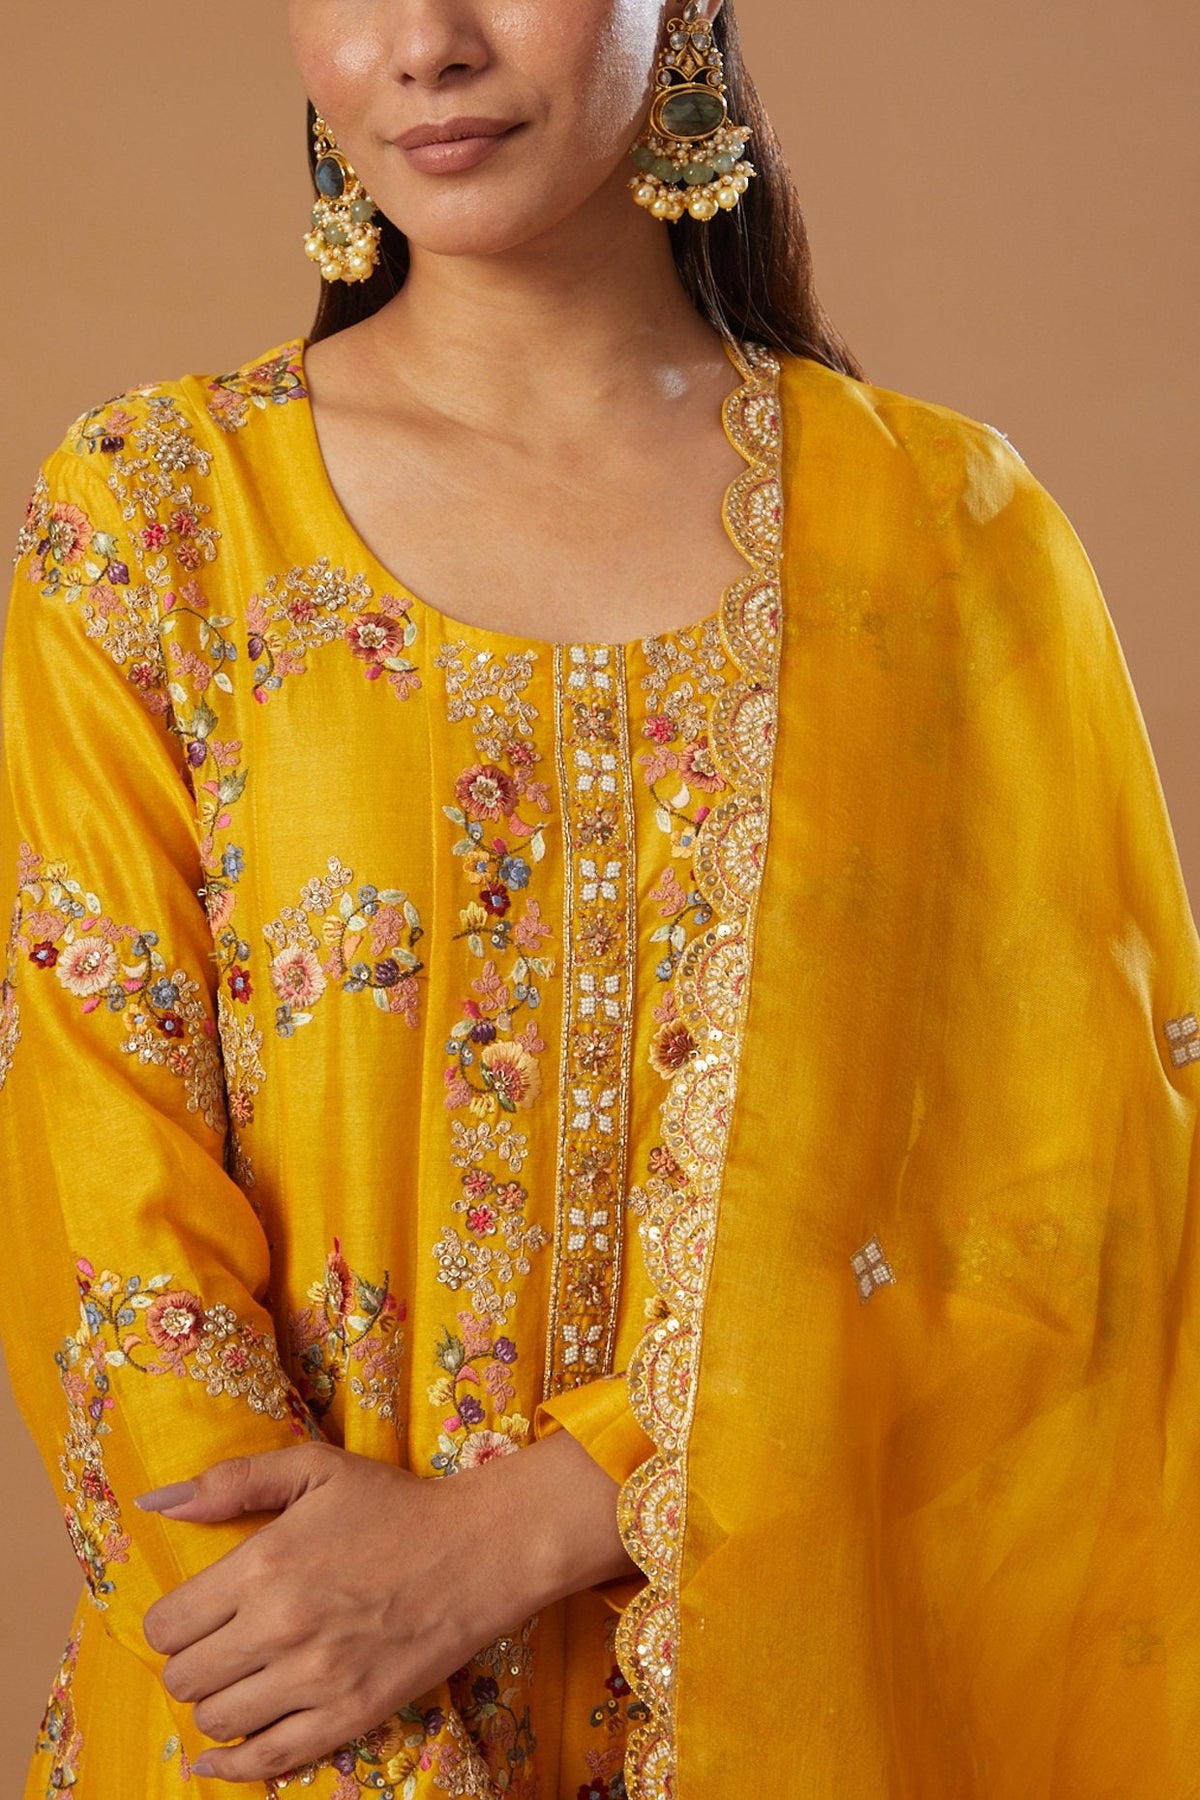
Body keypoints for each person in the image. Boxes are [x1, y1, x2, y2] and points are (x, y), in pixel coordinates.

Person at [2, 1, 1197, 1795]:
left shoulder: (946, 538)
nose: (424, 43)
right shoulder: (156, 522)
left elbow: (1073, 1204)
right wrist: (356, 1715)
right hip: (287, 1739)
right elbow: (107, 1204)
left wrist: (542, 1520)